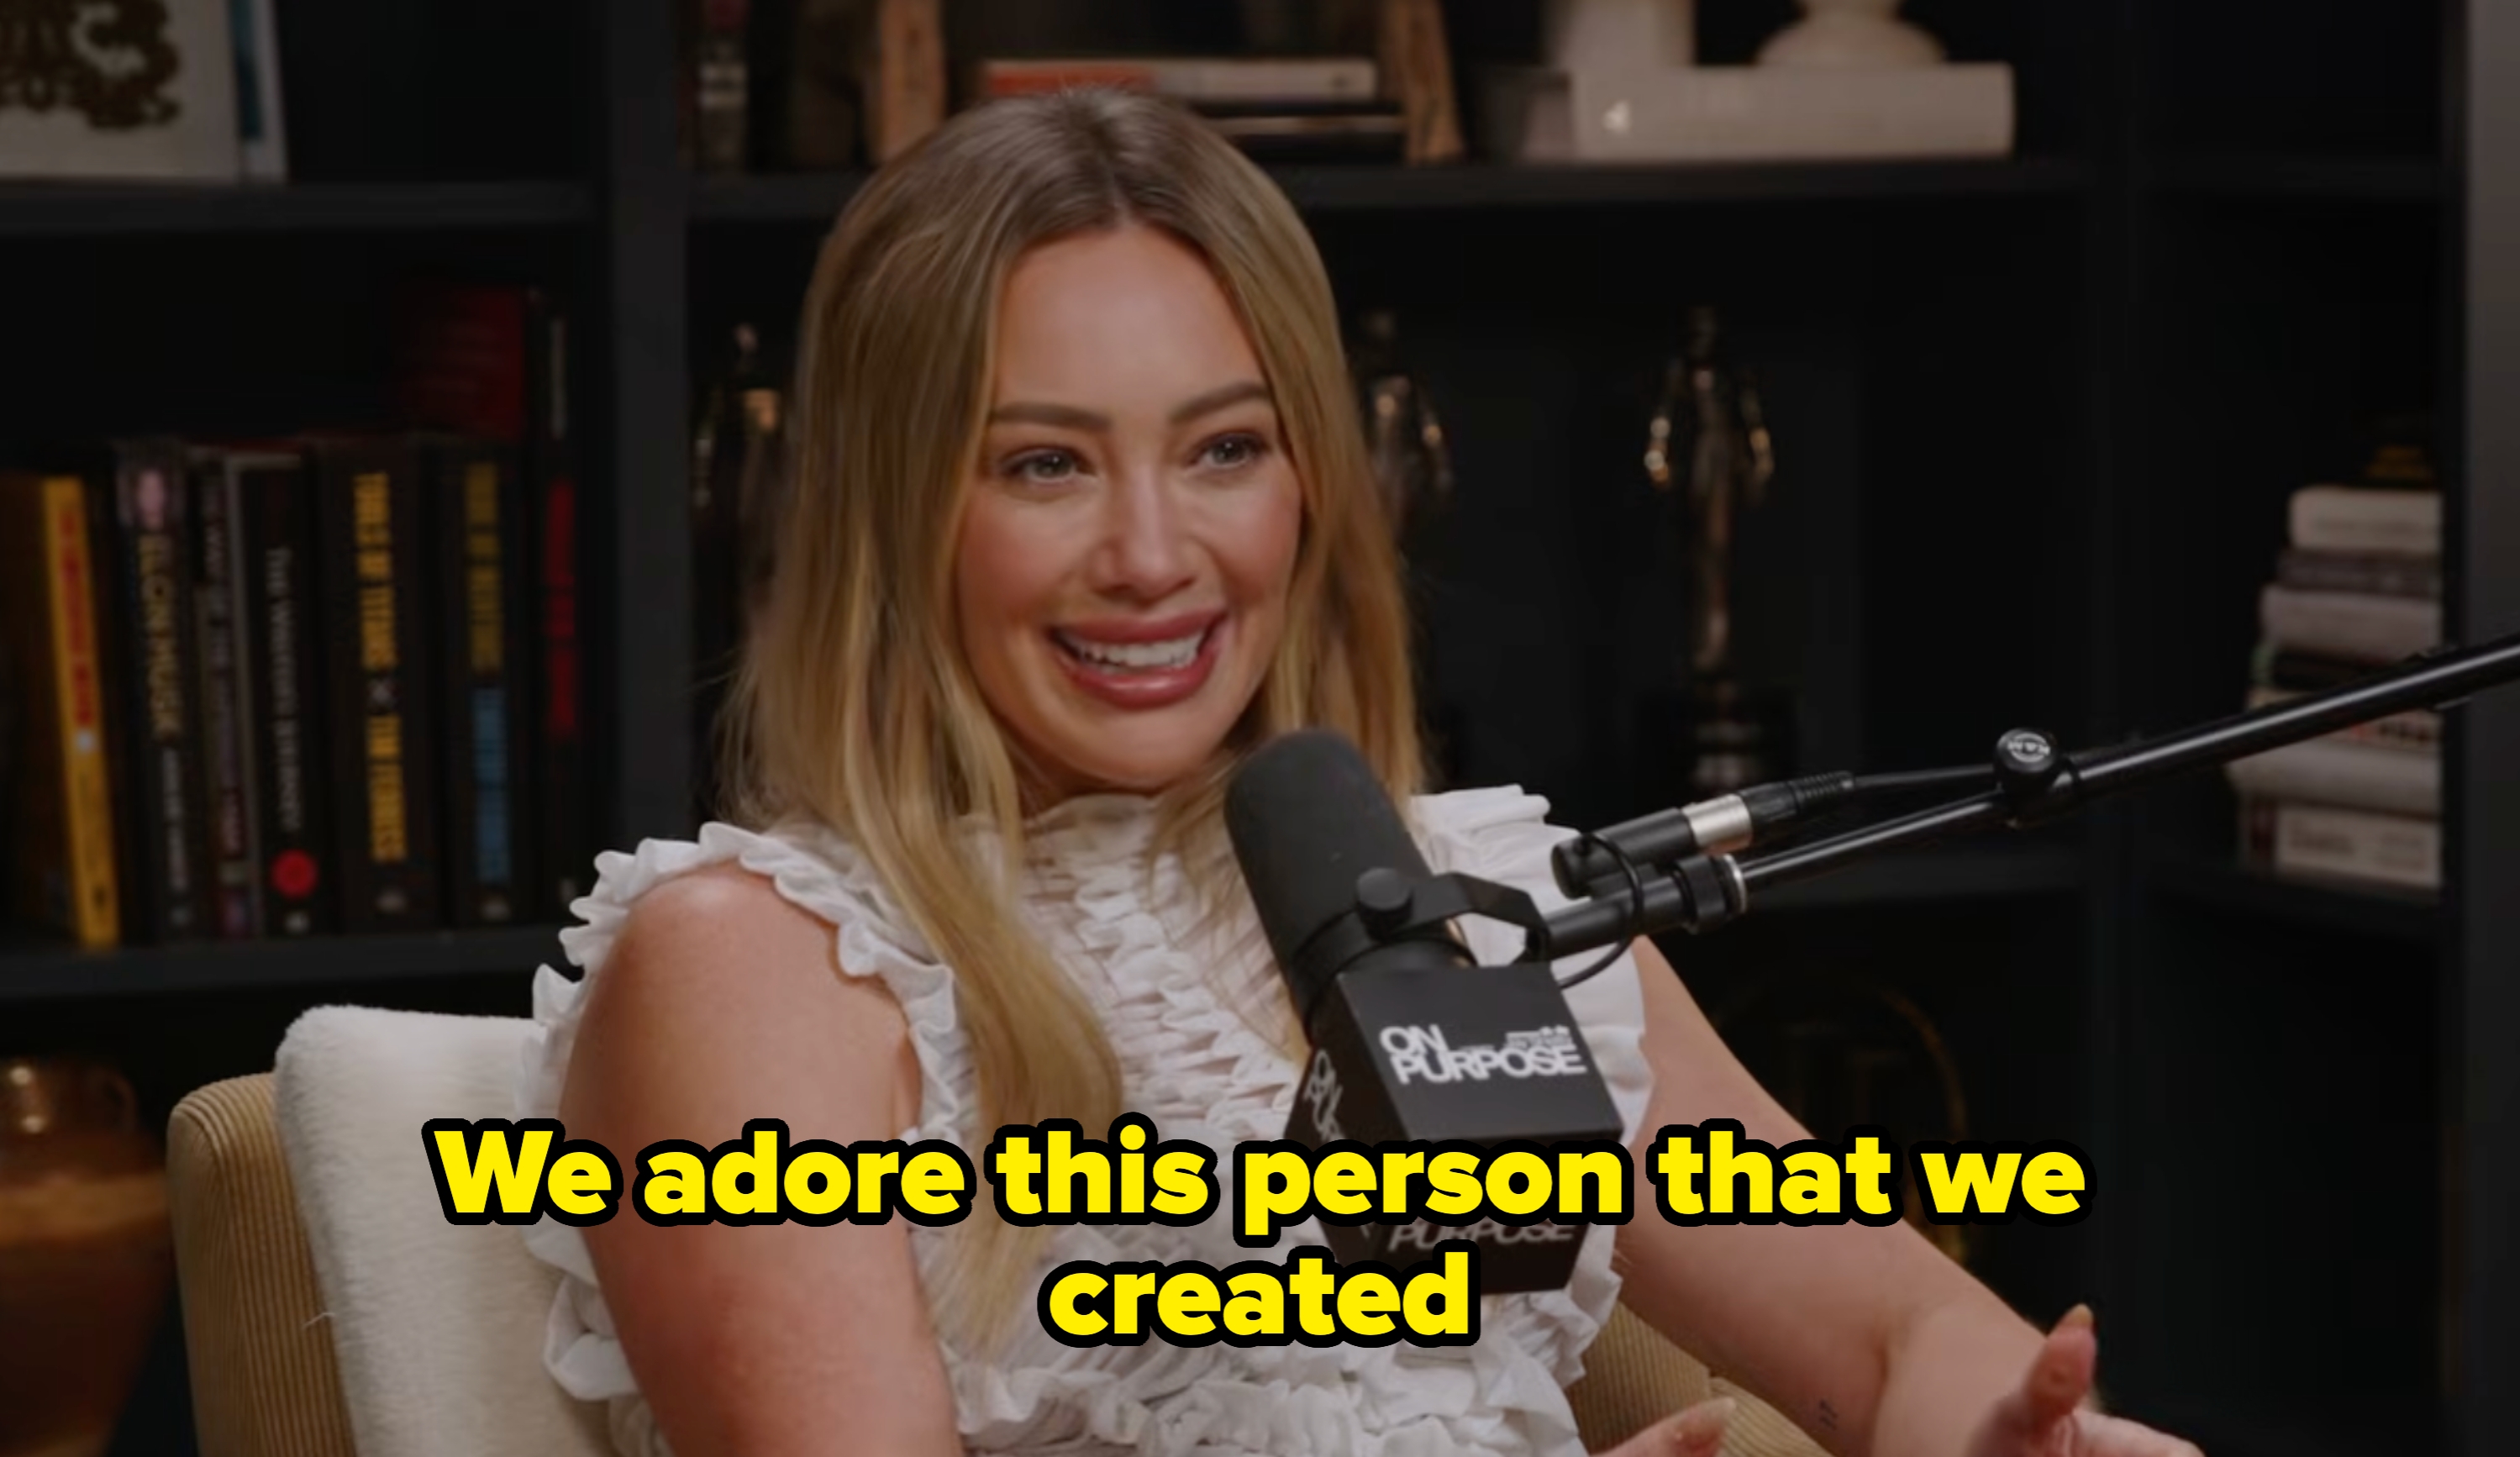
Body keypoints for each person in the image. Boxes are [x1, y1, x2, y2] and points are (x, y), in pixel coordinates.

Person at [514, 90, 2202, 1457]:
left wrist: (2014, 1436)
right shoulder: (765, 964)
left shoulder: (1488, 905)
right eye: (1044, 464)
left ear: (1312, 479)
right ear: (896, 517)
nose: (1155, 554)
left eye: (1226, 448)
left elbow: (1906, 1331)